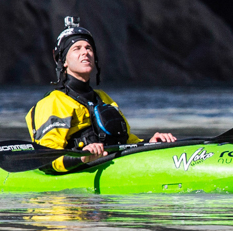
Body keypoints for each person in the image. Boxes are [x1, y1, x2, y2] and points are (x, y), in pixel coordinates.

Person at [24, 17, 176, 171]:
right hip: (77, 176)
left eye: (88, 48)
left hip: (113, 165)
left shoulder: (103, 98)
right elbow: (46, 159)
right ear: (63, 61)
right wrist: (82, 157)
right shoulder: (53, 102)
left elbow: (126, 141)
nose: (85, 52)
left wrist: (150, 142)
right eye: (77, 49)